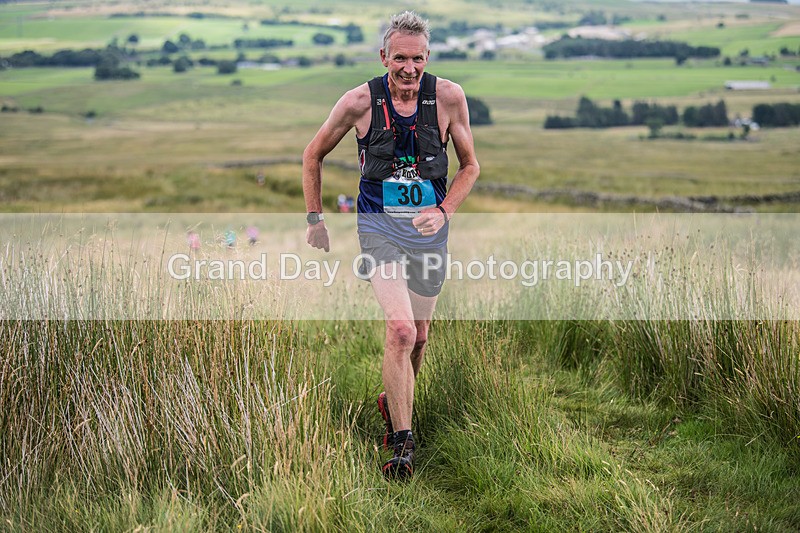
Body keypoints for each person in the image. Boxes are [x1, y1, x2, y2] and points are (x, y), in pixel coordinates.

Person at [302, 11, 479, 480]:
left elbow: (470, 167)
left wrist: (443, 212)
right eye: (399, 57)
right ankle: (403, 444)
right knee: (400, 331)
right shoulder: (359, 101)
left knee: (420, 337)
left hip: (429, 233)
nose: (408, 68)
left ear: (428, 57)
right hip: (378, 229)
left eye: (417, 58)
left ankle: (394, 402)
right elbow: (313, 153)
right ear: (384, 56)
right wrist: (315, 218)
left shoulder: (448, 98)